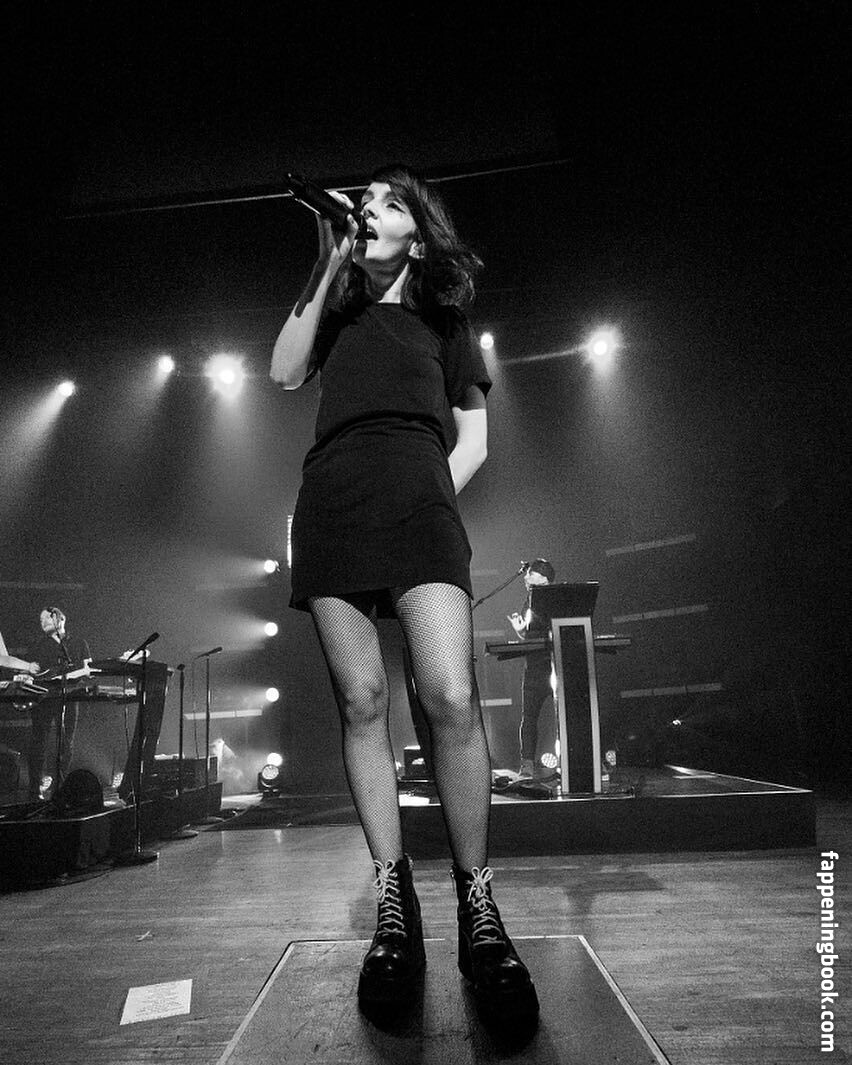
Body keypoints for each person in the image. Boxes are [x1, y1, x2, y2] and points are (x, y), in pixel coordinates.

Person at [271, 164, 538, 1026]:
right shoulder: (338, 306)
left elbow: (476, 438)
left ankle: (479, 907)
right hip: (336, 502)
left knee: (450, 695)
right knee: (362, 700)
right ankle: (395, 904)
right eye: (363, 204)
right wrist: (327, 258)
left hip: (419, 502)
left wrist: (431, 495)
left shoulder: (445, 319)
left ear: (417, 236)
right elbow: (283, 371)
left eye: (386, 203)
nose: (367, 211)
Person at [27, 607, 91, 801]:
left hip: (70, 696)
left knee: (66, 742)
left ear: (60, 619)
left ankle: (59, 787)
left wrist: (72, 675)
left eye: (46, 618)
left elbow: (88, 669)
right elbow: (30, 670)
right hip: (44, 698)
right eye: (40, 620)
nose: (43, 622)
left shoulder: (78, 642)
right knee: (39, 742)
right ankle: (34, 789)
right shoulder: (38, 645)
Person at [507, 559, 556, 779]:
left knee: (569, 715)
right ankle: (527, 764)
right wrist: (519, 630)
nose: (525, 578)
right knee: (529, 718)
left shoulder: (557, 597)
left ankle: (580, 759)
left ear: (543, 577)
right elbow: (529, 634)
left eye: (530, 574)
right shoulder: (528, 600)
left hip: (556, 665)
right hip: (534, 667)